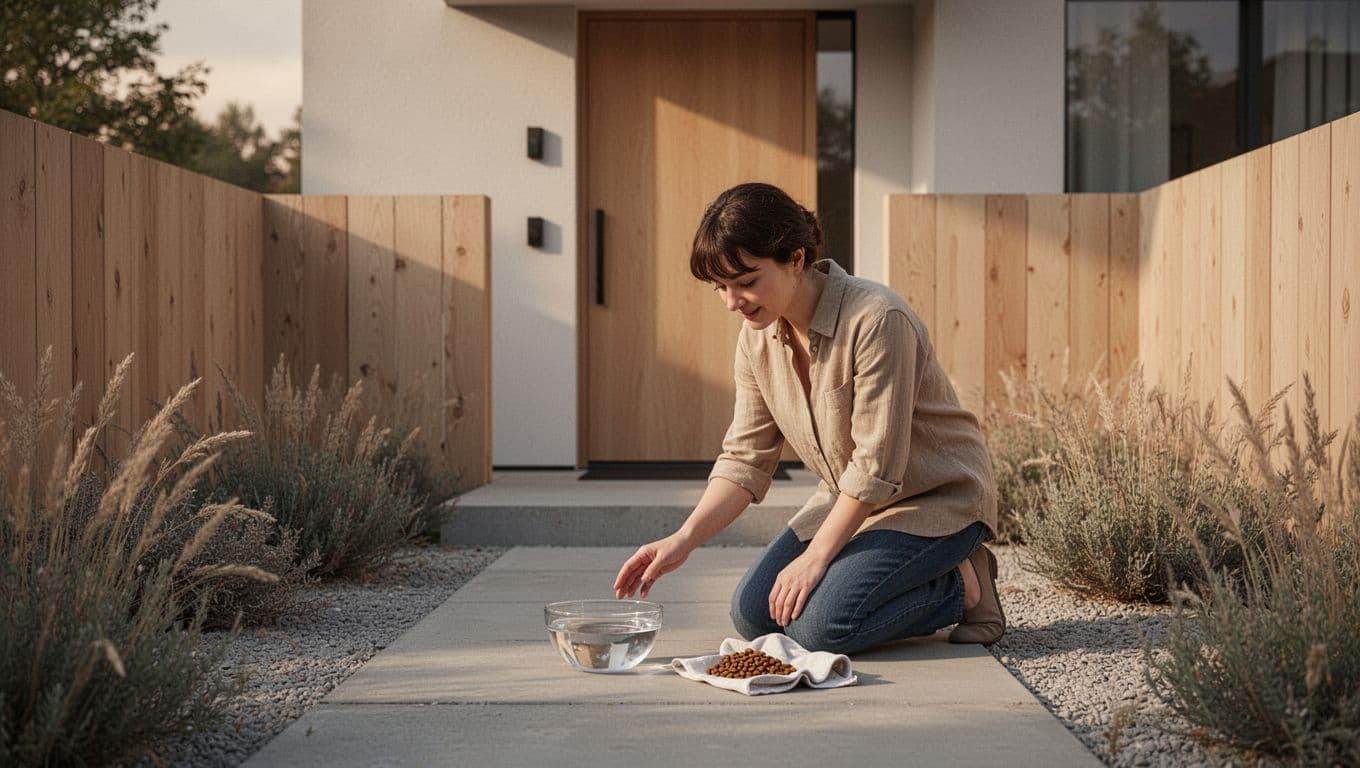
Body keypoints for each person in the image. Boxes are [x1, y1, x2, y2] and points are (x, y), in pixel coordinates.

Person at [613, 182, 1005, 655]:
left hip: (935, 501)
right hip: (850, 502)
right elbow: (745, 459)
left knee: (821, 629)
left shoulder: (877, 320)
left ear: (795, 260)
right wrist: (683, 539)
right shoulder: (755, 340)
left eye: (747, 281)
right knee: (754, 615)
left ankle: (960, 586)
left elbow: (877, 466)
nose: (733, 301)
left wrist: (817, 557)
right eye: (721, 287)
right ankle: (909, 574)